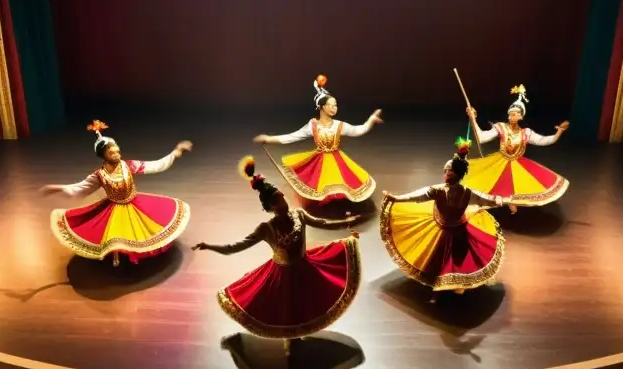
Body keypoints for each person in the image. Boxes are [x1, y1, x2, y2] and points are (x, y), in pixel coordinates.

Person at [193, 156, 361, 353]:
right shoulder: (266, 229)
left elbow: (323, 224)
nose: (284, 202)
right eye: (278, 201)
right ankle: (290, 337)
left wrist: (347, 223)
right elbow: (235, 247)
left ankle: (296, 334)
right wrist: (209, 246)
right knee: (286, 309)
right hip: (282, 275)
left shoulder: (299, 215)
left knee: (306, 302)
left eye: (282, 197)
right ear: (270, 208)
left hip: (305, 267)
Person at [41, 120, 192, 267]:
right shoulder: (99, 175)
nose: (116, 152)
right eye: (111, 151)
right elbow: (80, 189)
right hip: (115, 208)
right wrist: (57, 188)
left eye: (117, 149)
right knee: (116, 235)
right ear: (103, 154)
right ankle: (117, 257)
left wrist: (175, 153)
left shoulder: (128, 165)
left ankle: (133, 255)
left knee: (140, 231)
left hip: (134, 204)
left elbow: (155, 165)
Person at [380, 139, 507, 303]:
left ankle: (450, 286)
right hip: (444, 226)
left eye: (450, 172)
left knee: (452, 260)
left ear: (458, 174)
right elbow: (418, 196)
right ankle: (443, 286)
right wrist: (397, 198)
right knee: (438, 259)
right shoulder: (440, 190)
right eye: (446, 171)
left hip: (458, 229)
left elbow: (486, 199)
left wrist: (498, 201)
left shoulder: (465, 192)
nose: (446, 174)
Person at [253, 75, 382, 204]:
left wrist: (370, 121)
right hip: (320, 161)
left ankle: (339, 203)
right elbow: (292, 137)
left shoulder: (339, 125)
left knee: (341, 181)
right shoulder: (313, 125)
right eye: (330, 105)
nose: (334, 108)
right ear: (321, 107)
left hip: (337, 160)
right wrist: (269, 138)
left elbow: (358, 130)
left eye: (336, 105)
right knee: (323, 184)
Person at [464, 85, 569, 213]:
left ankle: (511, 203)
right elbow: (482, 138)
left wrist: (558, 133)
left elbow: (543, 141)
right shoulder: (501, 127)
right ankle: (503, 203)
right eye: (510, 114)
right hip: (500, 161)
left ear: (521, 117)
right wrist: (473, 119)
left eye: (515, 114)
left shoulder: (526, 132)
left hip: (517, 163)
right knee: (495, 183)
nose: (511, 117)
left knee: (518, 184)